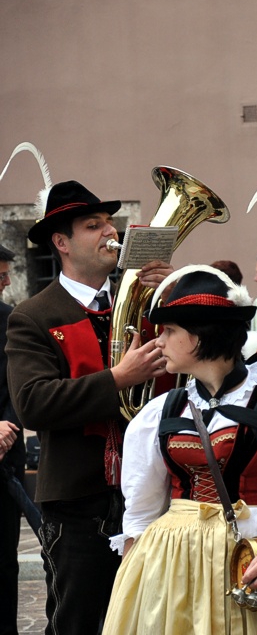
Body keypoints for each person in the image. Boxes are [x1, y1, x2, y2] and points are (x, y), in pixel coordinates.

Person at [102, 266, 257, 633]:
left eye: (170, 331)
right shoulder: (162, 410)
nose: (159, 341)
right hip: (171, 559)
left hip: (247, 557)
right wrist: (133, 581)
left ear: (200, 336)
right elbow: (140, 510)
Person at [7, 180, 171, 635]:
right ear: (60, 242)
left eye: (110, 223)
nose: (110, 232)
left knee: (148, 619)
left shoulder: (138, 304)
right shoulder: (35, 315)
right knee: (78, 622)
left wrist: (173, 296)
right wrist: (118, 379)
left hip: (148, 490)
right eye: (93, 225)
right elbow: (33, 404)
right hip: (78, 501)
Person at [0, 245, 26, 635]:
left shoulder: (12, 320)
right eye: (0, 273)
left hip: (5, 456)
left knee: (4, 559)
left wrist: (7, 423)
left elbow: (21, 384)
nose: (6, 280)